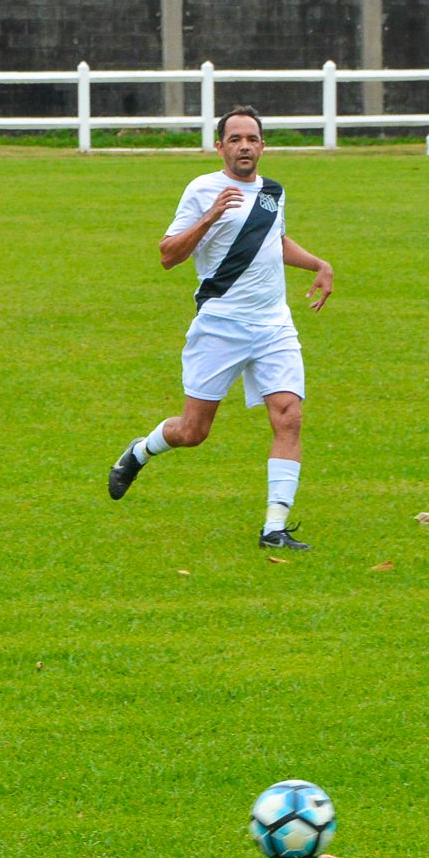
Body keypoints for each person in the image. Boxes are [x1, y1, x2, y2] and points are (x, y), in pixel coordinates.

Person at [106, 106, 335, 550]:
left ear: (263, 145)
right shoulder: (202, 189)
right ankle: (139, 452)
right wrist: (210, 216)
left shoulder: (273, 192)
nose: (244, 146)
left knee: (289, 415)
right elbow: (168, 254)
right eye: (235, 139)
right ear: (220, 147)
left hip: (274, 325)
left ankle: (275, 526)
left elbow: (274, 240)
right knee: (193, 432)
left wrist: (317, 263)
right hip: (220, 326)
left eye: (252, 138)